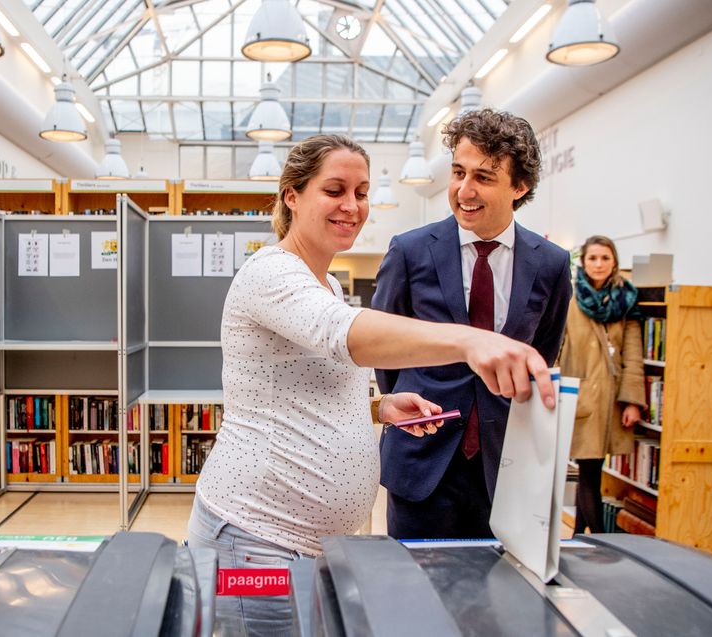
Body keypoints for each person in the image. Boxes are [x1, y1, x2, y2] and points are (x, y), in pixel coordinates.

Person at [187, 134, 557, 636]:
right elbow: (345, 335)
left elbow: (302, 391)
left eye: (361, 193)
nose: (352, 206)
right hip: (257, 537)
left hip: (314, 542)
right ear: (291, 195)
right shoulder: (270, 273)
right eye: (334, 190)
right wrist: (471, 341)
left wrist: (380, 408)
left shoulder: (328, 283)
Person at [373, 108, 573, 540]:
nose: (464, 190)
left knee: (498, 596)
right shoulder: (409, 252)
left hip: (506, 464)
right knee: (414, 590)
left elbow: (542, 354)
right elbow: (383, 351)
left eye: (484, 177)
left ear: (519, 186)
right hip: (421, 457)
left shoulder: (552, 264)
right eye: (458, 172)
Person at [558, 235, 645, 535]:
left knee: (590, 469)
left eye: (604, 258)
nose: (598, 264)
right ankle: (598, 538)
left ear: (614, 262)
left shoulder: (626, 300)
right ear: (583, 262)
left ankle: (581, 534)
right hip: (577, 394)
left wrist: (633, 400)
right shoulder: (568, 297)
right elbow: (557, 345)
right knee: (589, 470)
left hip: (610, 398)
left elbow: (633, 355)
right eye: (592, 258)